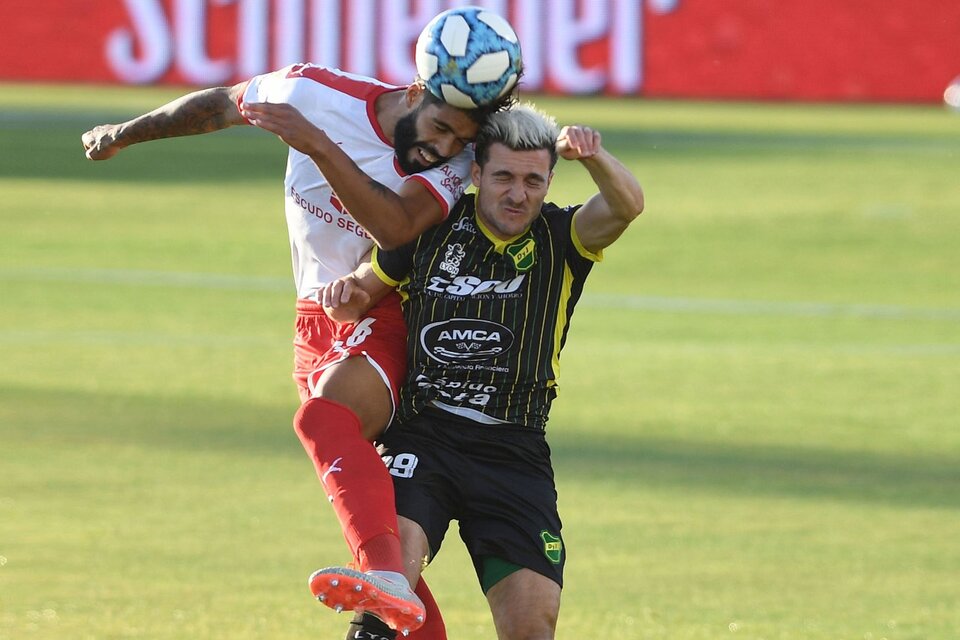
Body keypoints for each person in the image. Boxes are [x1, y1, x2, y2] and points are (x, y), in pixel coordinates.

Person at [81, 60, 514, 636]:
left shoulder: (452, 160)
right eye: (439, 128)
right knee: (372, 525)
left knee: (324, 423)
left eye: (459, 139)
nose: (443, 148)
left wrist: (315, 145)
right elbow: (218, 105)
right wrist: (122, 134)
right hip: (313, 321)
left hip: (386, 310)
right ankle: (390, 584)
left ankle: (385, 575)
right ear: (414, 93)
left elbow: (397, 226)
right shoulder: (312, 91)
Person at [316, 104, 644, 640]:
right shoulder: (429, 230)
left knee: (531, 624)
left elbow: (627, 206)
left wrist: (595, 156)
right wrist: (344, 297)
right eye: (505, 178)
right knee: (388, 579)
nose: (518, 194)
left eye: (533, 181)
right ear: (476, 174)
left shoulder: (563, 238)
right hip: (425, 437)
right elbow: (358, 295)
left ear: (549, 181)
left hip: (514, 450)